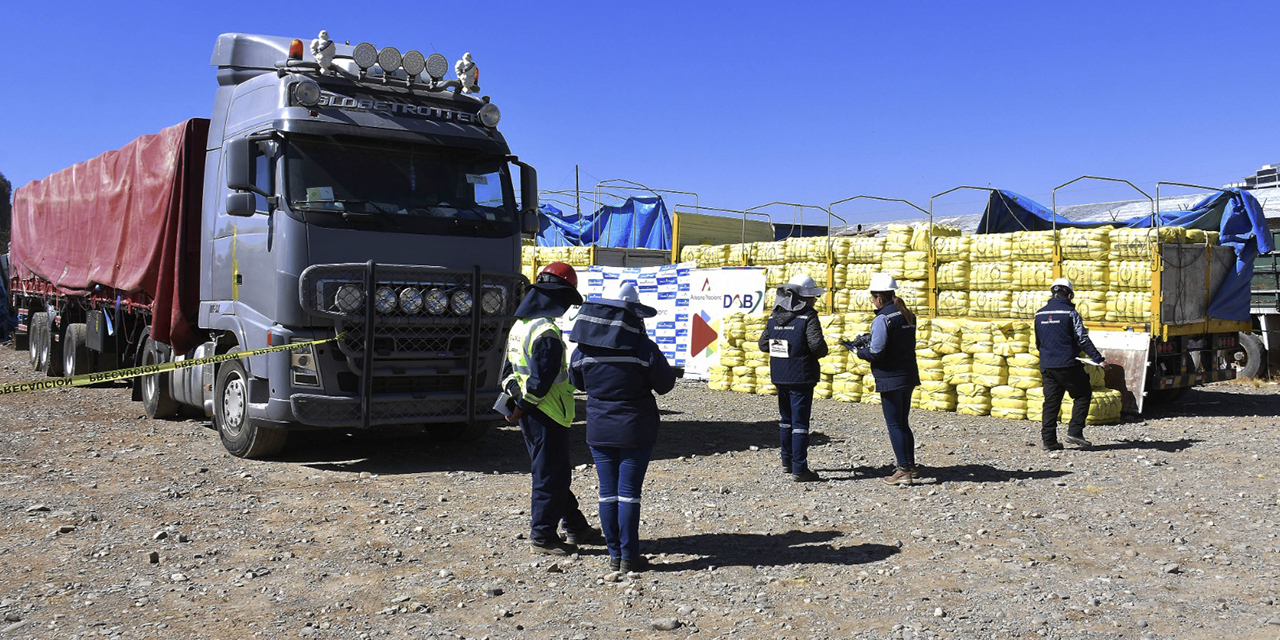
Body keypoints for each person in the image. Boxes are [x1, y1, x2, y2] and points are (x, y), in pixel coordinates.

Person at [569, 281, 676, 573]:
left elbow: (576, 382)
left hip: (599, 429)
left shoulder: (583, 350)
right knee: (628, 492)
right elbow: (665, 385)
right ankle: (629, 555)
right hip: (635, 429)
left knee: (607, 491)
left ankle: (614, 555)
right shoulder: (643, 348)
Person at [504, 262, 599, 554]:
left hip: (531, 414)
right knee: (550, 476)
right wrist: (522, 407)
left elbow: (508, 371)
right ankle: (543, 536)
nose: (566, 308)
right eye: (566, 301)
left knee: (553, 472)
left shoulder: (521, 327)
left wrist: (515, 403)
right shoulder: (546, 332)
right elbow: (540, 382)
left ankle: (576, 526)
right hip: (547, 413)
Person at [759, 273, 827, 482]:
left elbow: (763, 344)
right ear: (803, 297)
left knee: (785, 421)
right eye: (812, 296)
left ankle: (786, 461)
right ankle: (800, 468)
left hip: (780, 375)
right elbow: (816, 346)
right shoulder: (808, 317)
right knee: (800, 423)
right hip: (802, 376)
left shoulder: (773, 316)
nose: (815, 300)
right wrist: (822, 351)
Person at [854, 273, 921, 486]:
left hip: (890, 377)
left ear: (878, 297)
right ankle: (910, 465)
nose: (872, 301)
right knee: (903, 423)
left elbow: (877, 351)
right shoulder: (907, 315)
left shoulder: (882, 319)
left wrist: (859, 351)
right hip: (908, 374)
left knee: (894, 424)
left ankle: (903, 471)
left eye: (872, 298)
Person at [1034, 278, 1105, 450]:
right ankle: (1075, 432)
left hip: (1047, 365)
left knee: (1051, 402)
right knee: (1082, 394)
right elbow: (1082, 339)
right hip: (1067, 365)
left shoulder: (1039, 314)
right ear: (1070, 295)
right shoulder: (1070, 313)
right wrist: (1098, 359)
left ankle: (1049, 441)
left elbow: (1038, 342)